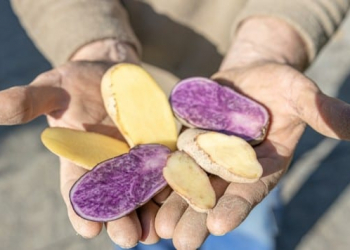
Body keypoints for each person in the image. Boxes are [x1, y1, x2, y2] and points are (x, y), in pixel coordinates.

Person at [1, 0, 350, 249]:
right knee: (150, 227)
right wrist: (93, 42)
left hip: (244, 65)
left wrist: (275, 39)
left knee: (241, 195)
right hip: (127, 61)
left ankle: (249, 235)